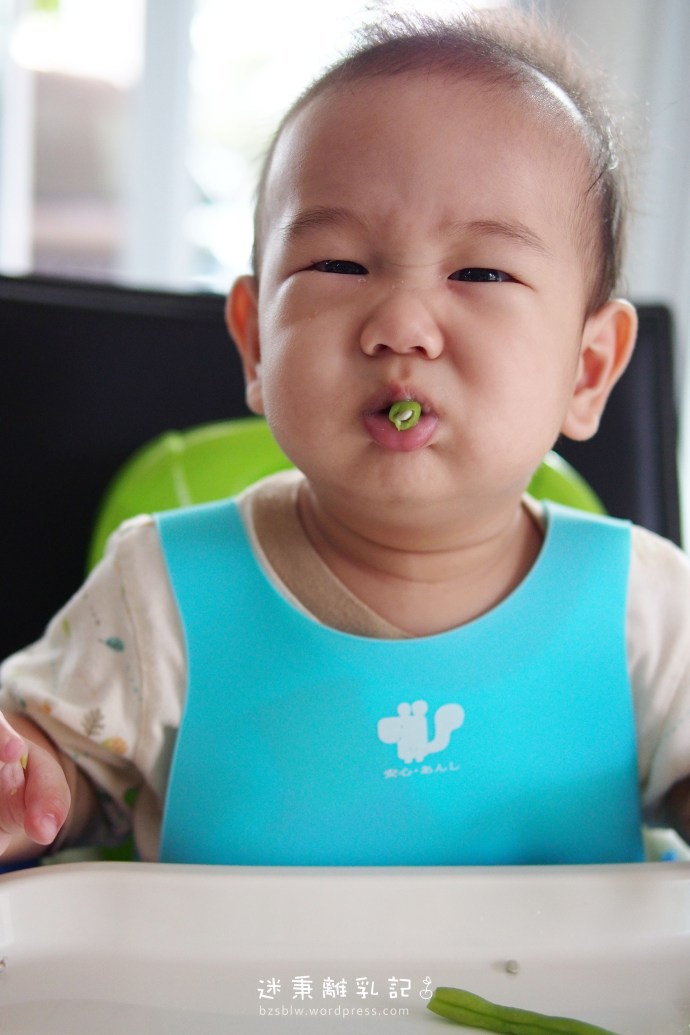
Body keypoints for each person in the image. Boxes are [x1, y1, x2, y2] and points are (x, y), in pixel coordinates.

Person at [1, 8, 689, 867]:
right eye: (339, 264)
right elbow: (50, 762)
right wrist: (31, 781)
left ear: (587, 370)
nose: (401, 325)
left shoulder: (645, 609)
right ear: (257, 343)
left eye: (480, 271)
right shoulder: (159, 593)